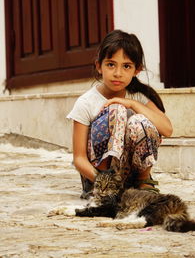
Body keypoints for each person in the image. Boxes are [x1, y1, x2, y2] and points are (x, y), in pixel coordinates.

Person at [67, 30, 173, 199]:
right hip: (98, 179)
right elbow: (79, 158)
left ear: (137, 70)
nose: (118, 73)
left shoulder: (138, 96)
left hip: (130, 176)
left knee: (140, 120)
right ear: (98, 66)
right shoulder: (86, 102)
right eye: (111, 64)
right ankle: (109, 184)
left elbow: (167, 129)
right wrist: (101, 180)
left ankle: (144, 181)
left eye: (126, 66)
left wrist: (133, 104)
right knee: (115, 110)